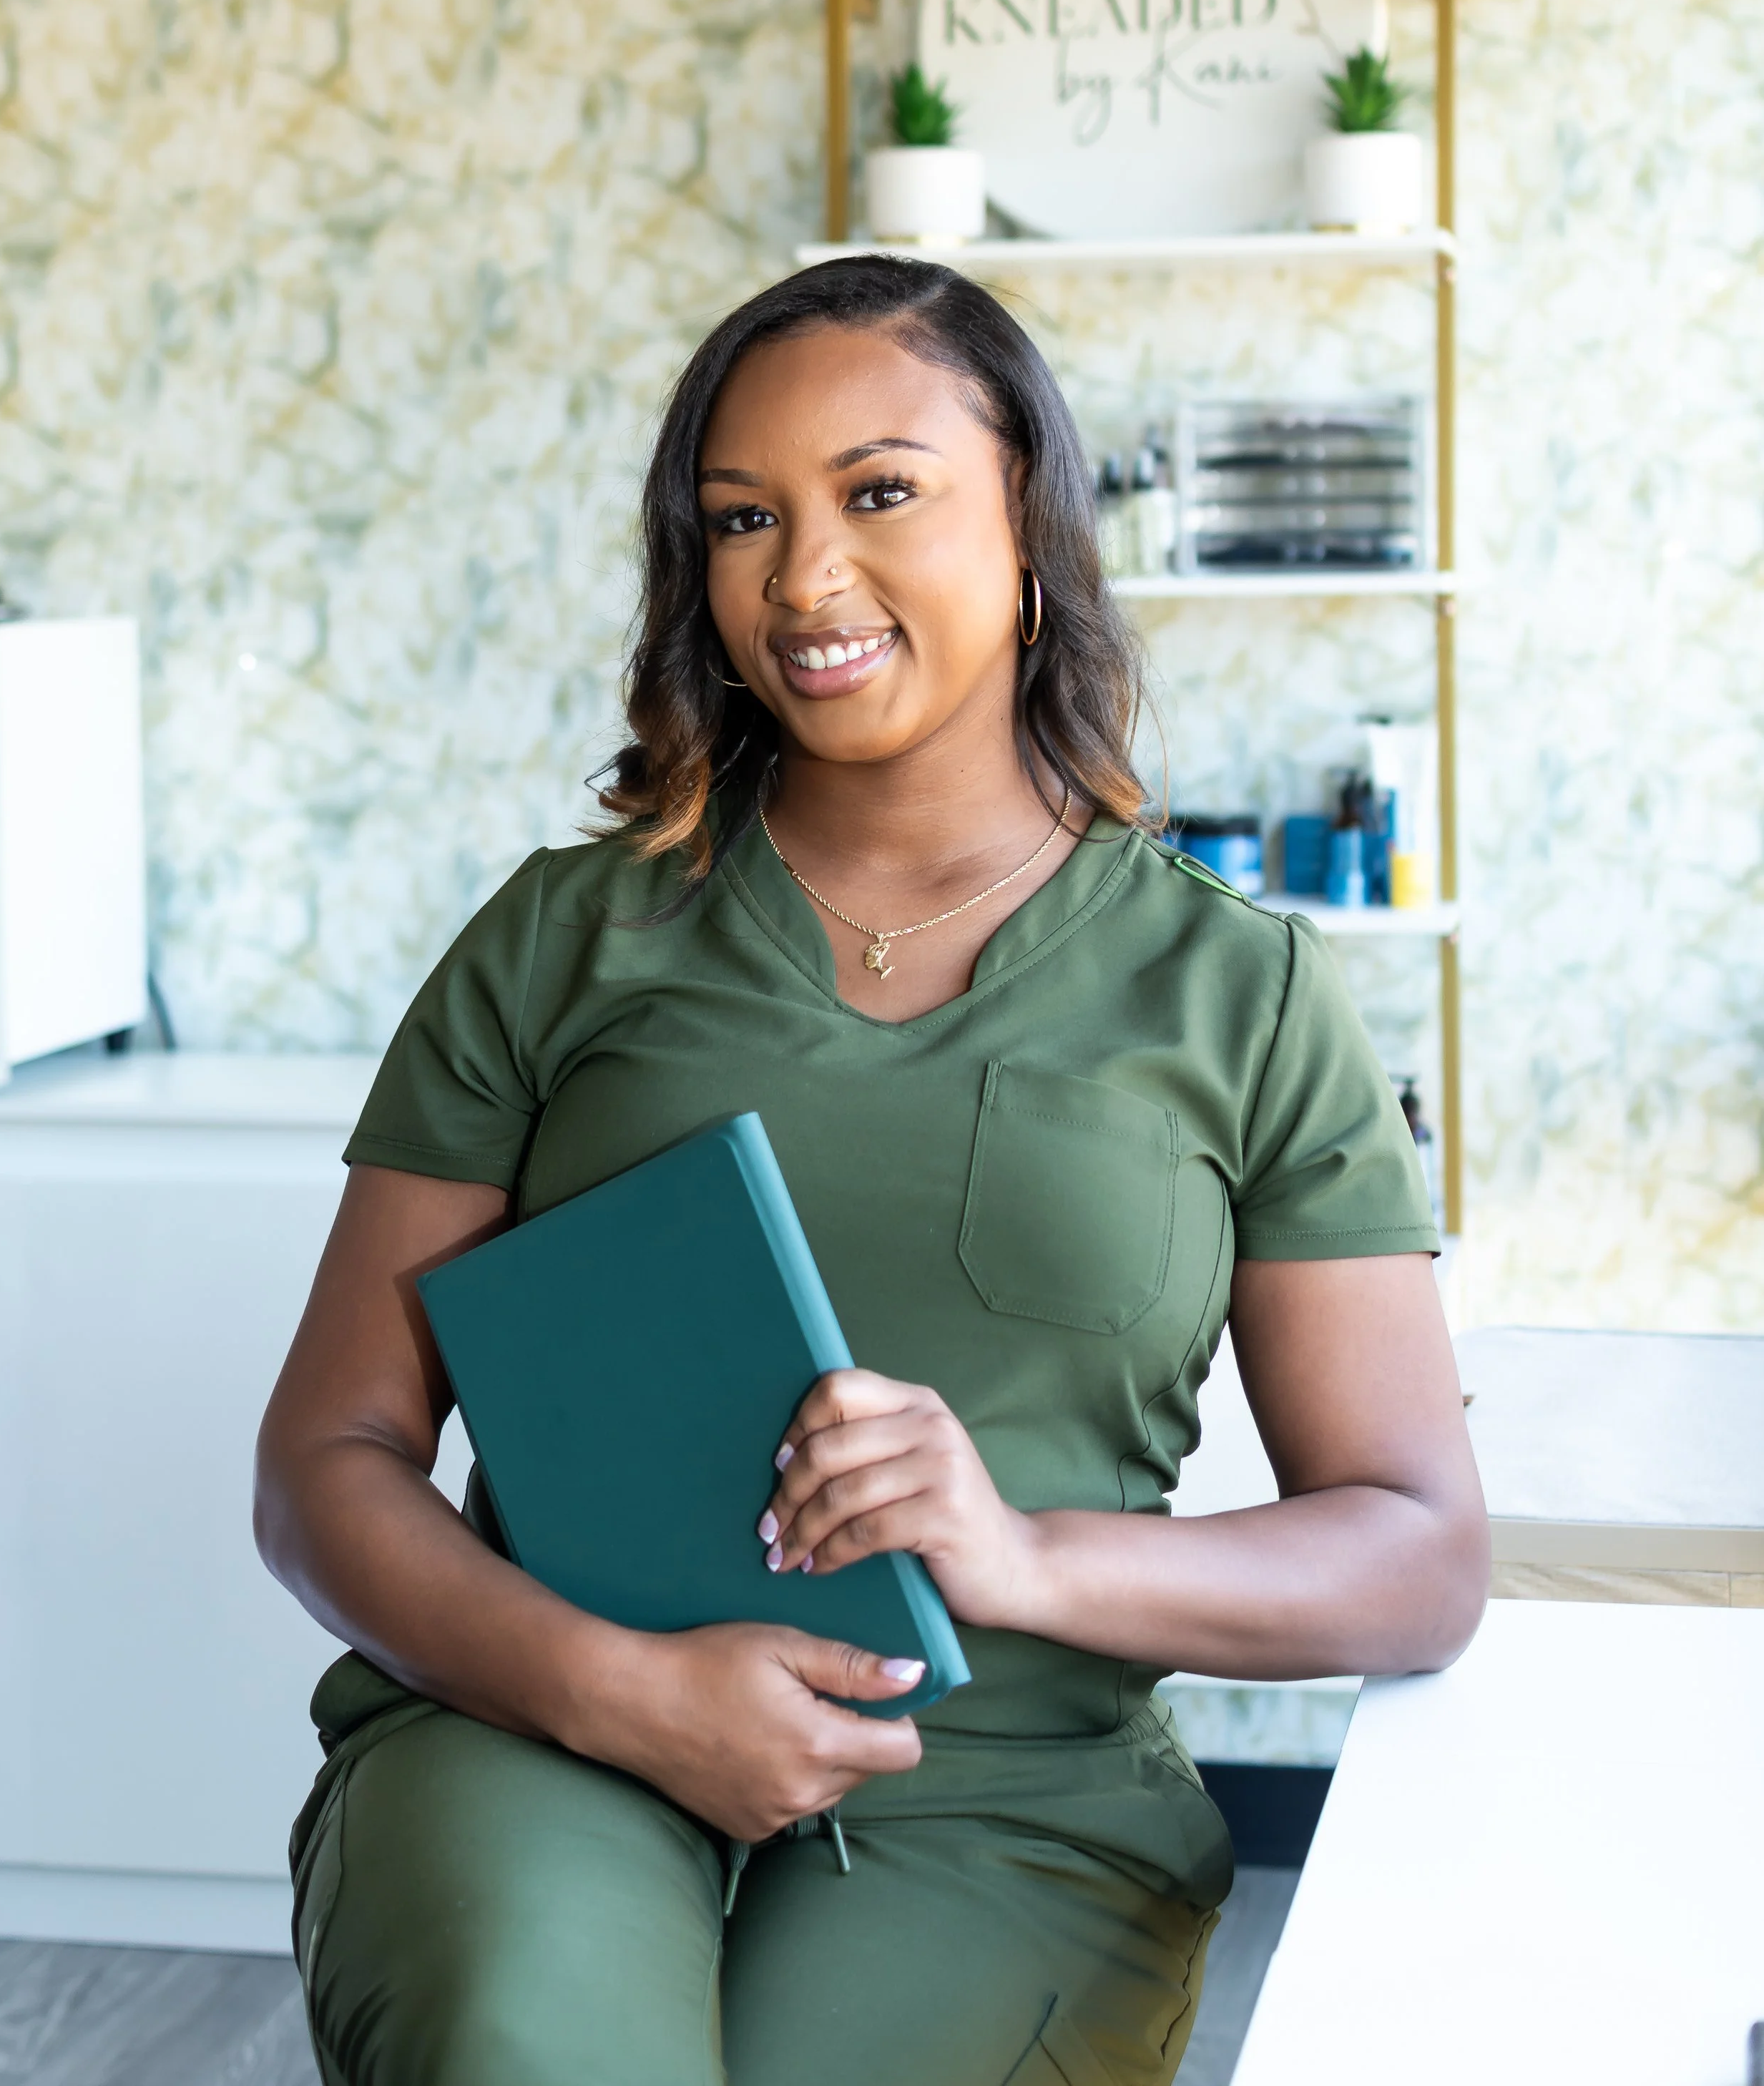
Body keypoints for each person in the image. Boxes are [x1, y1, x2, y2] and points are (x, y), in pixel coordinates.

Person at [255, 255, 1489, 2086]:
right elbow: (323, 1464)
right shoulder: (560, 940)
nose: (802, 577)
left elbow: (1414, 1551)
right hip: (539, 1727)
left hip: (1007, 1798)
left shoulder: (1239, 989)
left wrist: (1020, 1553)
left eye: (878, 492)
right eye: (740, 518)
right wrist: (621, 1693)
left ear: (1031, 517)